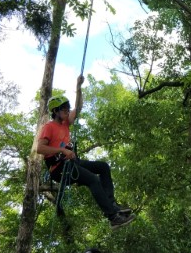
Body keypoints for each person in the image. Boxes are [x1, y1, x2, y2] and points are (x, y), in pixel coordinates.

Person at [37, 75, 135, 230]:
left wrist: (78, 87)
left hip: (71, 164)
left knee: (103, 167)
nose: (67, 111)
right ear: (55, 111)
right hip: (59, 169)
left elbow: (79, 107)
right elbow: (40, 148)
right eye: (64, 109)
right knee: (93, 180)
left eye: (67, 108)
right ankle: (113, 217)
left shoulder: (66, 123)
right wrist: (62, 150)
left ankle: (112, 204)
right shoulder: (49, 127)